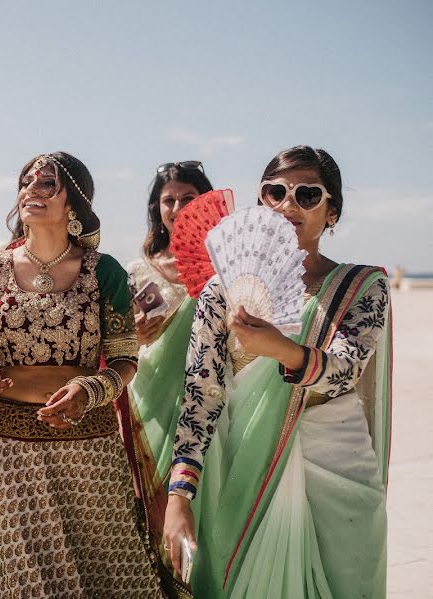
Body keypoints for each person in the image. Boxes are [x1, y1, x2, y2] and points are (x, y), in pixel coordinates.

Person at [163, 146, 393, 598]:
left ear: (332, 212)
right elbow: (201, 394)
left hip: (336, 474)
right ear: (261, 200)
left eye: (308, 195)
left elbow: (346, 370)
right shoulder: (222, 289)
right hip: (241, 476)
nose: (289, 205)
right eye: (276, 192)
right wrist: (179, 497)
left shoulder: (362, 286)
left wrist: (282, 350)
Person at [0, 152, 186, 598]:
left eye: (48, 185)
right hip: (12, 449)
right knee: (27, 581)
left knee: (104, 572)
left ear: (75, 204)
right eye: (26, 182)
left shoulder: (105, 272)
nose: (32, 190)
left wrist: (89, 387)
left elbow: (125, 360)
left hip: (90, 448)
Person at [128, 162, 213, 487]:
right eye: (169, 200)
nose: (178, 209)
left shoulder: (223, 265)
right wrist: (134, 337)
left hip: (208, 397)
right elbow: (118, 342)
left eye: (188, 198)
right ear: (157, 207)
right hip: (151, 395)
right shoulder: (138, 270)